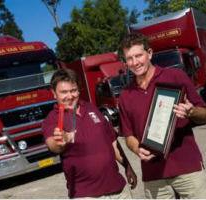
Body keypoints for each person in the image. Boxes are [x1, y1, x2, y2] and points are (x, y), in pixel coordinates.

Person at [118, 32, 206, 199]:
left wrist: (191, 111)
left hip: (187, 168)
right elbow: (128, 135)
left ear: (149, 53)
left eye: (138, 55)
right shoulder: (126, 95)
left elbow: (205, 115)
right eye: (129, 58)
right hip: (154, 175)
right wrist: (137, 148)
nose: (135, 62)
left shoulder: (175, 77)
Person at [42, 68, 137, 198]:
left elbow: (112, 141)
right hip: (86, 194)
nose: (70, 96)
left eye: (73, 90)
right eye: (64, 92)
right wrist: (61, 141)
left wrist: (127, 166)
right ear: (54, 93)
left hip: (118, 191)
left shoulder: (91, 108)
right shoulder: (52, 119)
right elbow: (53, 145)